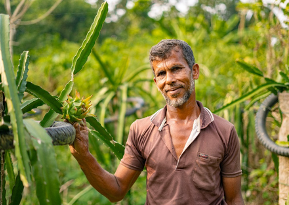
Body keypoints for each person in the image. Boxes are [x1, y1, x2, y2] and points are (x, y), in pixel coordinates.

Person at [70, 39, 244, 205]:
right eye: (161, 73)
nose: (169, 80)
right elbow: (117, 190)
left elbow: (234, 199)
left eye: (176, 69)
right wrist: (83, 155)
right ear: (156, 82)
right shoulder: (142, 130)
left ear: (195, 71)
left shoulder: (224, 131)